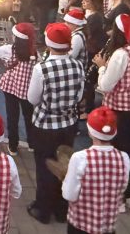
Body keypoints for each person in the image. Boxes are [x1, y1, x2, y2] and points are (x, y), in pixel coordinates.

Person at [26, 23, 84, 225]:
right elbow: (78, 96)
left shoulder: (42, 68)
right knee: (64, 166)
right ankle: (61, 209)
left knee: (45, 168)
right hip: (68, 124)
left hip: (45, 125)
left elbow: (33, 98)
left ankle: (43, 209)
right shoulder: (77, 65)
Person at [94, 14, 130, 210]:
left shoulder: (120, 54)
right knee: (127, 151)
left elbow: (106, 85)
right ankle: (129, 194)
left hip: (118, 109)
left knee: (115, 153)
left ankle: (118, 198)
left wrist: (101, 67)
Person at [62, 106, 130, 234]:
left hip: (80, 225)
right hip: (107, 227)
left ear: (89, 132)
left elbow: (69, 194)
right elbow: (122, 188)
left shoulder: (80, 158)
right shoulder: (124, 158)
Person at [0, 22, 37, 153]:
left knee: (12, 116)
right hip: (27, 88)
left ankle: (13, 146)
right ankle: (32, 143)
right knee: (29, 116)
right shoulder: (35, 52)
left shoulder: (9, 49)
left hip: (10, 87)